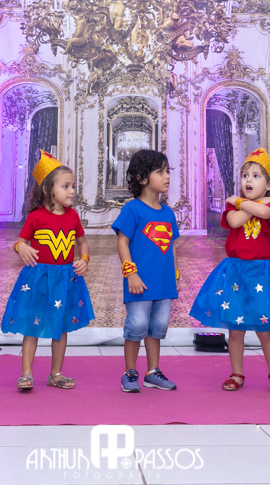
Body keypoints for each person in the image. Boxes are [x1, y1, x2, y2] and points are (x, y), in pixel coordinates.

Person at [190, 148, 270, 392]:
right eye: (245, 176)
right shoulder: (235, 208)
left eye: (256, 176)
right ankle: (237, 373)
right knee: (235, 330)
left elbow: (263, 212)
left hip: (260, 274)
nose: (248, 180)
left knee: (265, 330)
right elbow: (235, 221)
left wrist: (240, 201)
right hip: (235, 272)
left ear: (269, 184)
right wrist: (246, 203)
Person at [2, 151, 94, 390]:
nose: (72, 191)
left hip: (65, 279)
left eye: (73, 186)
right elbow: (19, 242)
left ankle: (56, 374)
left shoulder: (73, 216)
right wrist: (21, 248)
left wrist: (84, 258)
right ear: (48, 190)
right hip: (38, 278)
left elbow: (82, 242)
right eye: (66, 186)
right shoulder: (35, 217)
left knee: (60, 327)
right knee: (32, 325)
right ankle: (26, 373)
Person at [113, 149, 180, 393]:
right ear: (142, 178)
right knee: (137, 325)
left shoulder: (168, 213)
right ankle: (130, 372)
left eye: (168, 171)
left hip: (163, 282)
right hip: (139, 282)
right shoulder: (132, 210)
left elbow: (171, 245)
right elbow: (122, 242)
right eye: (160, 171)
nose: (167, 176)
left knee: (157, 327)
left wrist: (175, 275)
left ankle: (153, 372)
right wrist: (130, 273)